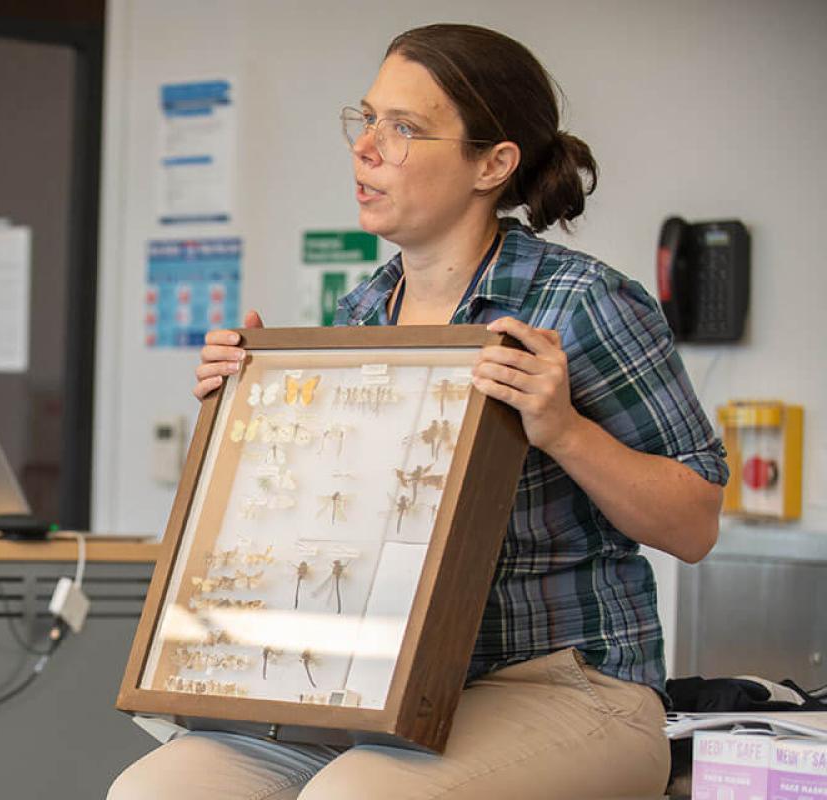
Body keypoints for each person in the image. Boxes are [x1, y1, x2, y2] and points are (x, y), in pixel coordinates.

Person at [110, 23, 726, 800]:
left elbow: (696, 523)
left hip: (567, 690)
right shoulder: (362, 312)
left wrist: (564, 430)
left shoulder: (582, 302)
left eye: (403, 128)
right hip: (380, 698)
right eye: (365, 120)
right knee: (156, 790)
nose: (366, 148)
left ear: (494, 163)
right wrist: (252, 424)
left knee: (359, 797)